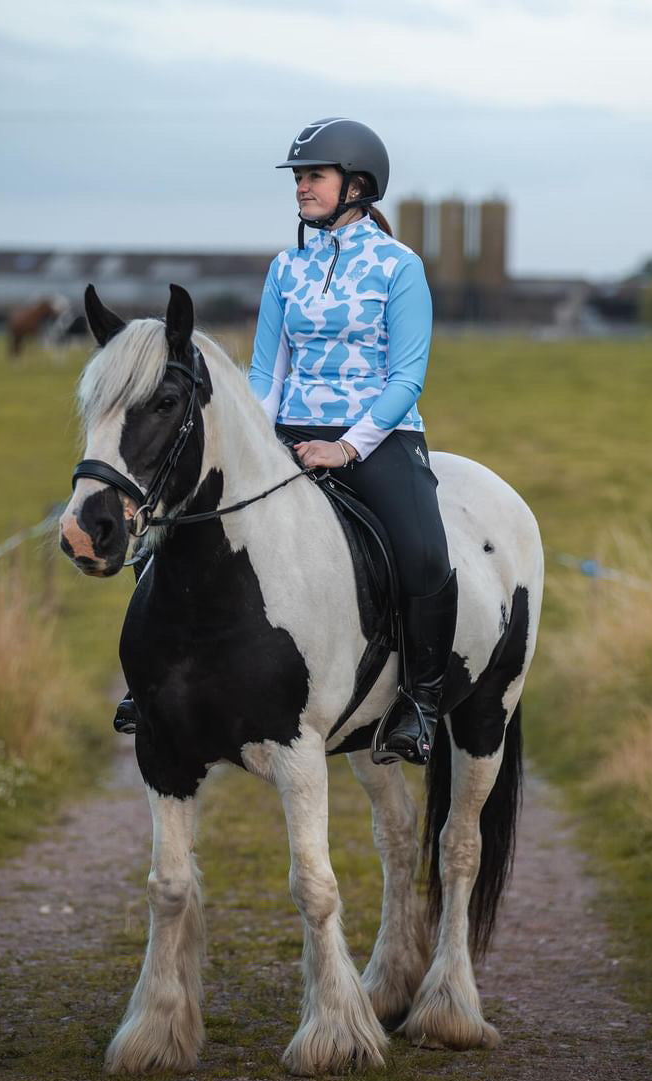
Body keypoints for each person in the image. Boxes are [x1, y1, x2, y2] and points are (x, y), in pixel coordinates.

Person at [247, 117, 456, 767]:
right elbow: (265, 371)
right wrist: (260, 439)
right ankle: (159, 679)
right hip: (291, 432)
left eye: (314, 176)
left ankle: (420, 701)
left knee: (423, 554)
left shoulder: (400, 267)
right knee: (194, 520)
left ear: (357, 185)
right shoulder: (285, 268)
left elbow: (407, 375)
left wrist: (349, 446)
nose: (302, 188)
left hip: (381, 435)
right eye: (299, 178)